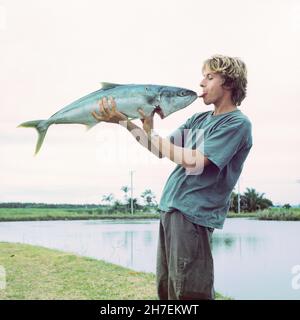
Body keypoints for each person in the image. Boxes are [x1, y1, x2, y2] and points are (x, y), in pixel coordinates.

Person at [91, 54, 253, 300]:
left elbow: (195, 159)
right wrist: (125, 123)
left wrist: (154, 137)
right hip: (171, 209)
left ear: (229, 83)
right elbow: (158, 149)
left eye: (209, 77)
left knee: (189, 293)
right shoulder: (199, 118)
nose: (201, 84)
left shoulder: (237, 123)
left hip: (193, 215)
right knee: (167, 290)